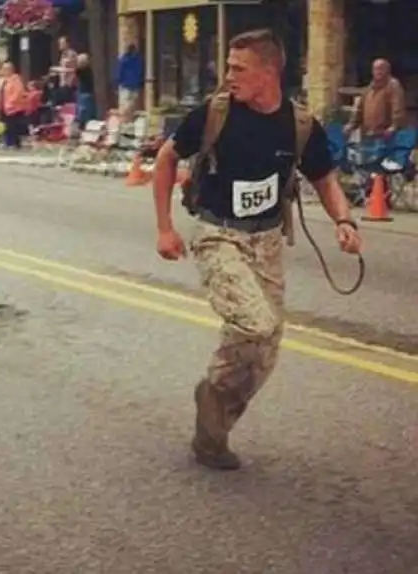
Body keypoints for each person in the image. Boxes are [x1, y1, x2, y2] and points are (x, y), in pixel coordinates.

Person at [151, 29, 362, 471]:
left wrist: (343, 221)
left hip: (266, 241)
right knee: (255, 324)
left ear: (269, 73)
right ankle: (214, 397)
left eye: (238, 68)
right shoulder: (216, 113)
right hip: (218, 234)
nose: (228, 75)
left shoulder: (300, 126)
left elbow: (324, 178)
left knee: (265, 352)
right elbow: (167, 158)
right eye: (228, 66)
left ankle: (213, 423)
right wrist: (165, 228)